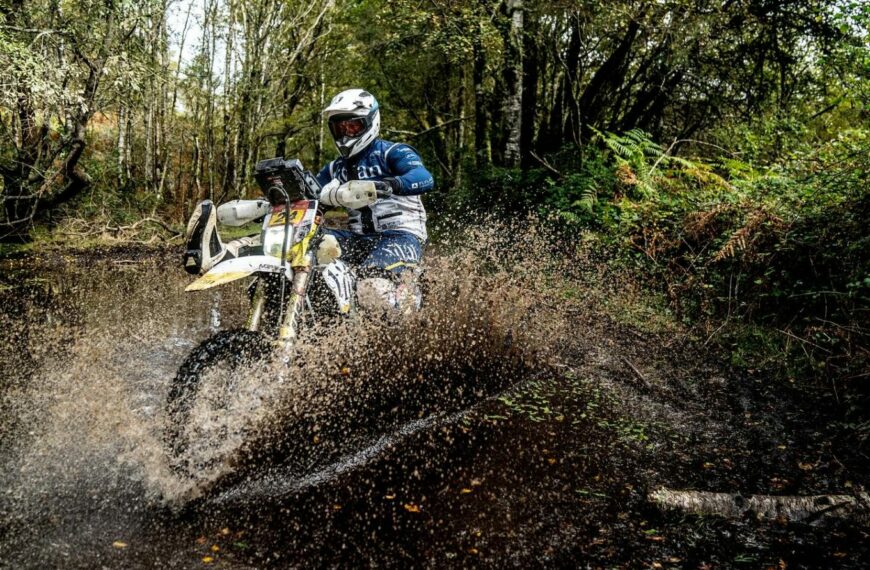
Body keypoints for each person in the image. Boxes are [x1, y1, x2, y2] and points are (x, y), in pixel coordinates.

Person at [182, 88, 434, 312]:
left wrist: (389, 184)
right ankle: (223, 253)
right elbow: (308, 198)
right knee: (299, 237)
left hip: (401, 236)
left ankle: (408, 311)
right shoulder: (335, 168)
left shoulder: (393, 152)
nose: (346, 133)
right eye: (339, 127)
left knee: (372, 289)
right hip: (358, 239)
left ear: (370, 122)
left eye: (353, 126)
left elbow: (423, 177)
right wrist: (266, 206)